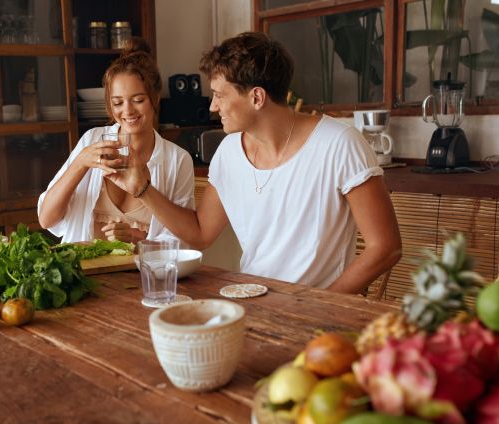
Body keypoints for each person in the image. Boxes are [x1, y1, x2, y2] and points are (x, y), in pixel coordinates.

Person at [105, 32, 401, 294]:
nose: (212, 106)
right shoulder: (229, 151)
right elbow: (200, 234)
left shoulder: (339, 144)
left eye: (220, 95)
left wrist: (321, 305)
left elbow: (385, 248)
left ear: (257, 97)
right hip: (250, 299)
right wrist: (143, 188)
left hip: (317, 319)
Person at [37, 38, 194, 244]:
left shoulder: (177, 160)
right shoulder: (92, 140)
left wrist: (136, 238)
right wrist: (80, 163)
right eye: (118, 102)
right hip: (85, 268)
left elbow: (185, 239)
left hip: (141, 273)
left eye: (138, 100)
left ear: (155, 98)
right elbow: (46, 219)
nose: (127, 110)